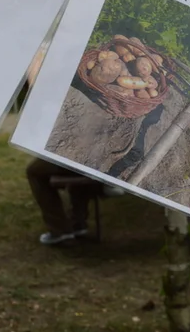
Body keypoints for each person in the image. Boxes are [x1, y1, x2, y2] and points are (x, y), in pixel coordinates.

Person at [22, 42, 121, 246]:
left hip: (80, 152)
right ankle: (78, 223)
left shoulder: (64, 83)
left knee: (35, 172)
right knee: (75, 162)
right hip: (98, 153)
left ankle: (60, 230)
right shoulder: (90, 79)